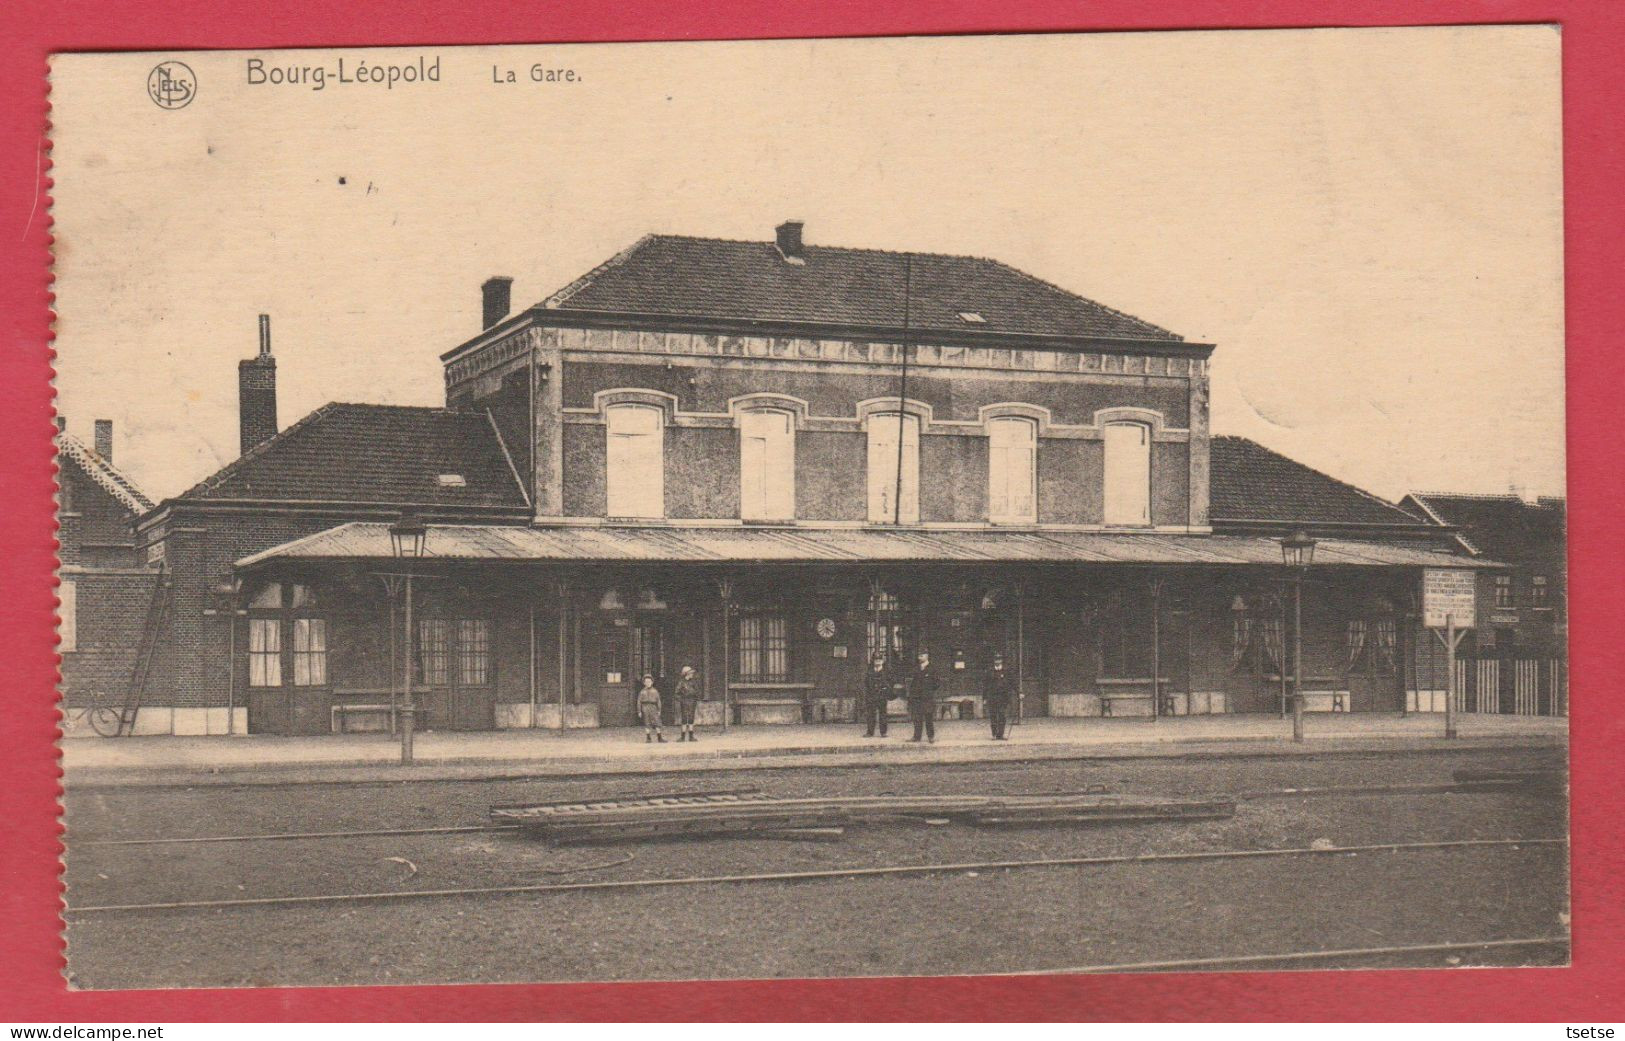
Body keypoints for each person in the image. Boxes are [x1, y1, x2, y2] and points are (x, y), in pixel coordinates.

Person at [907, 650, 940, 743]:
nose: (919, 658)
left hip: (927, 697)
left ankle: (931, 736)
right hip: (917, 697)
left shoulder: (932, 669)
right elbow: (913, 682)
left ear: (927, 656)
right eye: (919, 656)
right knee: (917, 717)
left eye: (921, 655)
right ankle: (917, 737)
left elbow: (937, 683)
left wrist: (928, 690)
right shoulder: (917, 668)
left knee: (928, 717)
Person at [984, 653, 1012, 740]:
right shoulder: (989, 671)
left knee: (1002, 716)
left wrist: (1019, 692)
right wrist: (984, 698)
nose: (997, 661)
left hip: (1003, 697)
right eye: (996, 660)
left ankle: (1001, 734)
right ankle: (994, 734)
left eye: (999, 660)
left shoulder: (1006, 671)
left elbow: (1013, 682)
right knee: (993, 716)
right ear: (994, 661)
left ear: (1001, 661)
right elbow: (985, 686)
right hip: (992, 697)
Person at [863, 653, 891, 737]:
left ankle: (883, 732)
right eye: (876, 660)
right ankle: (870, 732)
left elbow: (890, 681)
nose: (878, 662)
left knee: (883, 714)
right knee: (871, 714)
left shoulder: (886, 671)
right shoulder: (869, 671)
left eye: (879, 660)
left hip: (882, 695)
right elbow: (866, 683)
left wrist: (886, 689)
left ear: (882, 661)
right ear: (873, 661)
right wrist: (868, 693)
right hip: (872, 695)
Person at [674, 664, 702, 742]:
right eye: (690, 673)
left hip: (692, 702)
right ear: (686, 674)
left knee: (691, 719)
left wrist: (696, 698)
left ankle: (691, 736)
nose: (692, 675)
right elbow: (676, 693)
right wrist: (682, 700)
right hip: (684, 702)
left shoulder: (694, 682)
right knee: (684, 719)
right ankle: (682, 737)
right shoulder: (681, 683)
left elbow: (697, 691)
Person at [637, 673, 665, 743]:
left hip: (653, 707)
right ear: (644, 683)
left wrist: (659, 710)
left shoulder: (655, 691)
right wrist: (639, 711)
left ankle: (659, 737)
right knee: (647, 722)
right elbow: (639, 701)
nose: (648, 683)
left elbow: (658, 701)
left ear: (652, 682)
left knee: (657, 722)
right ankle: (648, 738)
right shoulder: (642, 692)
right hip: (645, 707)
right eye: (646, 682)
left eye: (649, 682)